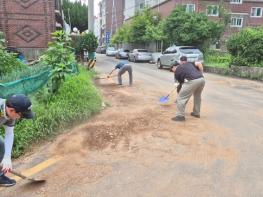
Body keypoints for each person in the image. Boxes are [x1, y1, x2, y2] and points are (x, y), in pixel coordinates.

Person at [0, 94, 34, 187]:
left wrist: (7, 157)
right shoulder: (10, 111)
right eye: (21, 115)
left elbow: (9, 133)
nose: (21, 118)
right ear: (12, 110)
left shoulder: (10, 114)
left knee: (1, 144)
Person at [170, 56, 205, 121]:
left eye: (172, 69)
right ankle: (196, 113)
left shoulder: (177, 71)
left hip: (192, 80)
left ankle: (180, 116)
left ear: (174, 67)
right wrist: (201, 73)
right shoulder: (189, 63)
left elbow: (181, 85)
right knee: (197, 96)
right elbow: (199, 64)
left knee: (181, 97)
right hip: (202, 79)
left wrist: (180, 93)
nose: (173, 71)